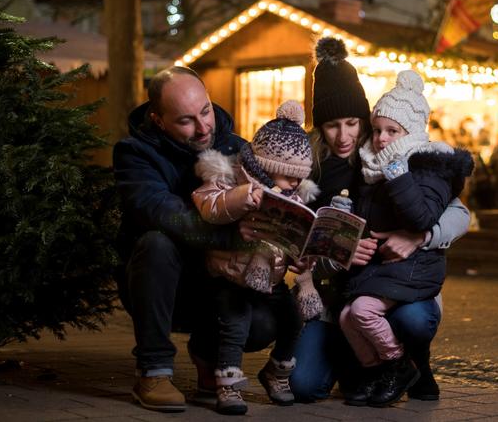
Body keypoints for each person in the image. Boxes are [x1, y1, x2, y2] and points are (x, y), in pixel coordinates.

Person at [274, 37, 471, 405]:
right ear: (320, 126)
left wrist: (420, 236)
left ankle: (410, 362)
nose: (344, 135)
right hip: (336, 296)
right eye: (332, 125)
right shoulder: (306, 169)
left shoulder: (388, 156)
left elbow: (458, 213)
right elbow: (301, 239)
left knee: (410, 320)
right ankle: (370, 366)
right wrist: (336, 252)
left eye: (352, 122)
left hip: (393, 285)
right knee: (304, 386)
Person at [113, 67, 279, 412]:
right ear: (158, 120)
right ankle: (153, 371)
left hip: (220, 281)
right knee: (156, 242)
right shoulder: (134, 153)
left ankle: (208, 361)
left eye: (205, 111)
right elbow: (163, 212)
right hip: (161, 285)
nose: (204, 127)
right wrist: (226, 238)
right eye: (186, 121)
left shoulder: (238, 147)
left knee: (264, 323)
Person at [340, 70, 473, 408]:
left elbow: (426, 216)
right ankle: (377, 371)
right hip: (381, 270)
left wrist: (397, 173)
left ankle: (403, 366)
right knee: (348, 315)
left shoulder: (425, 166)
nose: (382, 139)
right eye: (378, 130)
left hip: (411, 271)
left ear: (411, 132)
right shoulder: (369, 166)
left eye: (392, 131)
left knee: (369, 312)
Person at [190, 101, 316, 415]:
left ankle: (276, 372)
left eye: (299, 178)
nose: (294, 184)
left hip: (270, 278)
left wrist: (301, 257)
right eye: (289, 176)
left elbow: (287, 244)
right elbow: (210, 206)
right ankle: (228, 385)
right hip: (230, 274)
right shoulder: (230, 178)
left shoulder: (292, 195)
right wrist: (245, 197)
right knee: (236, 322)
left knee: (294, 318)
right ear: (265, 164)